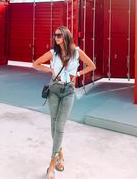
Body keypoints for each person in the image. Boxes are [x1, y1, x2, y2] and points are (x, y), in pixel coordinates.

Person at [33, 26, 96, 179]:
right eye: (55, 35)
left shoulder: (76, 51)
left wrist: (78, 74)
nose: (56, 38)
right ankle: (60, 155)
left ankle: (52, 165)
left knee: (59, 127)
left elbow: (92, 66)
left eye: (59, 35)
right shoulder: (53, 53)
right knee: (54, 124)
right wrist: (50, 71)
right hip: (54, 89)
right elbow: (36, 64)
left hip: (68, 91)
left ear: (66, 36)